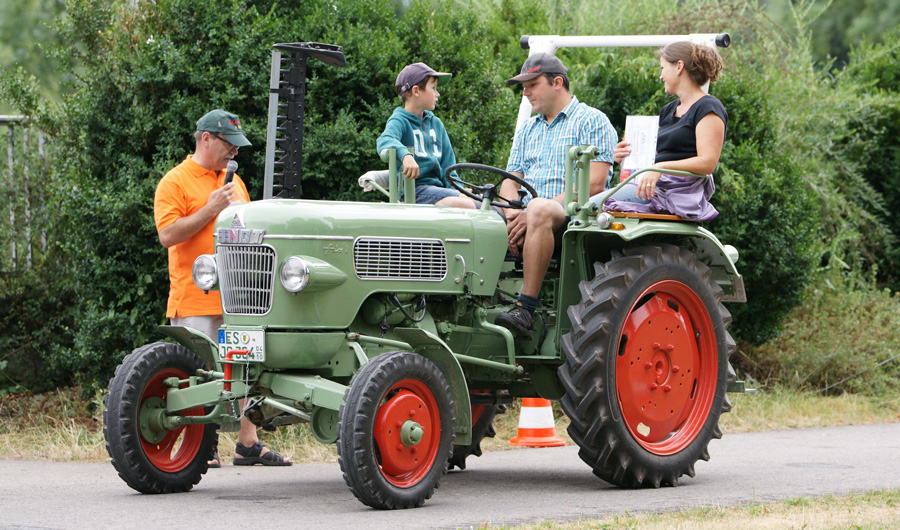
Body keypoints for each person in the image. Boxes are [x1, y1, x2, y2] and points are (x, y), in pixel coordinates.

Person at [154, 109, 291, 467]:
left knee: (246, 368)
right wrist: (211, 208)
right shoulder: (175, 181)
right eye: (229, 145)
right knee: (200, 374)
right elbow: (167, 235)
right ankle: (204, 448)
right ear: (205, 139)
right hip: (195, 299)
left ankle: (248, 444)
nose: (234, 152)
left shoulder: (235, 181)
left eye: (237, 147)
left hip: (241, 299)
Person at [494, 53, 617, 338]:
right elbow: (510, 182)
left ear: (557, 82)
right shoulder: (528, 129)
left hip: (571, 216)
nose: (525, 93)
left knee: (538, 208)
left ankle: (525, 308)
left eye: (532, 85)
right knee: (456, 206)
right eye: (523, 87)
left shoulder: (592, 121)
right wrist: (513, 214)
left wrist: (533, 212)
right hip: (525, 214)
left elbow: (596, 183)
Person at [604, 41, 727, 222]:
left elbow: (708, 162)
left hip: (677, 192)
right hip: (654, 185)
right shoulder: (668, 110)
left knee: (594, 206)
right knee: (589, 208)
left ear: (679, 66)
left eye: (662, 68)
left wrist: (661, 167)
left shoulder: (708, 106)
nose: (661, 76)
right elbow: (653, 158)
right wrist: (625, 155)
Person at [376, 62, 474, 208]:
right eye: (433, 88)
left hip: (439, 191)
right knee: (467, 205)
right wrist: (405, 155)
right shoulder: (400, 120)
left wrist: (458, 191)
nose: (438, 94)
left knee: (482, 202)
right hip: (414, 192)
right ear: (416, 91)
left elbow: (449, 168)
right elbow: (385, 139)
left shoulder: (437, 124)